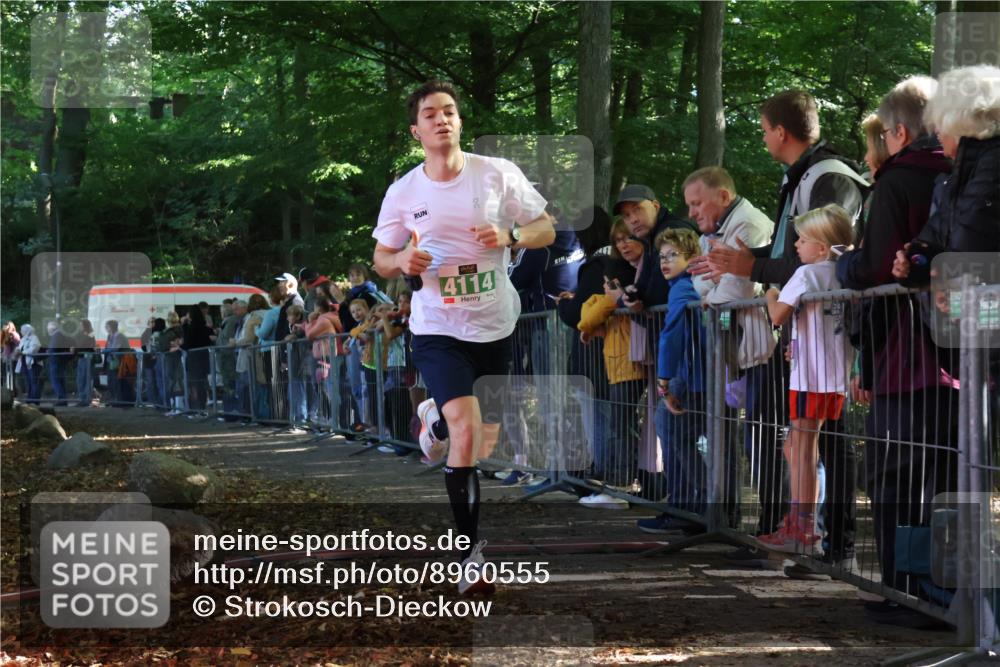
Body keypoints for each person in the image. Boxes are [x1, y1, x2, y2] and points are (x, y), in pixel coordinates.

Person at [372, 80, 555, 595]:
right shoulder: (405, 190)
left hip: (496, 324)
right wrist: (401, 260)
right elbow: (382, 259)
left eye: (449, 111)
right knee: (467, 430)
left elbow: (546, 227)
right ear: (417, 130)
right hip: (438, 326)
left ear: (459, 121)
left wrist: (514, 236)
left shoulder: (497, 174)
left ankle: (431, 419)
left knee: (482, 440)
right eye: (430, 114)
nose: (441, 119)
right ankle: (469, 557)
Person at [704, 90, 868, 572]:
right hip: (810, 346)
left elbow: (819, 252)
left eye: (763, 129)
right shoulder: (807, 175)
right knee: (798, 438)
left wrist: (756, 266)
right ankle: (793, 529)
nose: (762, 138)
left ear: (780, 131)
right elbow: (801, 254)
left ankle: (829, 540)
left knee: (823, 440)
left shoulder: (829, 176)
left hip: (822, 352)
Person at [758, 204, 854, 554]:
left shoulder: (807, 274)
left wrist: (769, 294)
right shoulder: (843, 273)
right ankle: (803, 524)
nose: (796, 245)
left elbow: (778, 314)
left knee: (801, 448)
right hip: (833, 374)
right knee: (801, 446)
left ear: (822, 248)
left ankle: (802, 526)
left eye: (803, 239)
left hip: (809, 376)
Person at [642, 228, 709, 534]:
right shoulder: (688, 284)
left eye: (673, 255)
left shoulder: (683, 288)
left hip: (688, 375)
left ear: (691, 257)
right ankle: (692, 504)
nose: (665, 261)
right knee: (677, 432)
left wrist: (664, 378)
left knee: (670, 428)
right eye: (662, 256)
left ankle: (690, 505)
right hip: (696, 373)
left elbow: (672, 332)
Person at [612, 184, 698, 311]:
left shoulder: (671, 232)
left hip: (697, 324)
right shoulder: (650, 237)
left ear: (656, 206)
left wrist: (632, 302)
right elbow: (642, 286)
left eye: (638, 209)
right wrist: (627, 298)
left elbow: (658, 293)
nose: (633, 219)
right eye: (626, 216)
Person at [46, 321, 72, 406]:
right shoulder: (60, 335)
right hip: (60, 361)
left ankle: (62, 399)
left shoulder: (56, 335)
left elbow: (53, 348)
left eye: (48, 327)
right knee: (60, 381)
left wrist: (49, 351)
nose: (47, 330)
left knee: (56, 381)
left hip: (56, 361)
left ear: (53, 328)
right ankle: (63, 399)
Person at [14, 324, 41, 403]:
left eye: (22, 330)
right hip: (24, 363)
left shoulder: (34, 338)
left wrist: (22, 352)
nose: (21, 332)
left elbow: (34, 349)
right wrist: (17, 351)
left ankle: (35, 400)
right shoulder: (23, 339)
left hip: (33, 363)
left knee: (34, 381)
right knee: (28, 381)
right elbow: (19, 347)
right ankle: (29, 398)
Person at [73, 319, 96, 406]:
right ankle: (82, 398)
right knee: (80, 379)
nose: (80, 327)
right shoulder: (81, 334)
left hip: (87, 358)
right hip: (81, 358)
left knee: (86, 379)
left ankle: (86, 400)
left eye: (81, 325)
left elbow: (85, 344)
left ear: (86, 325)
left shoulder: (91, 334)